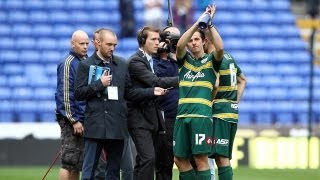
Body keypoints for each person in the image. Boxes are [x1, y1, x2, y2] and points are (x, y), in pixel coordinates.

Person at [173, 5, 224, 180]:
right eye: (191, 40)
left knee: (200, 159)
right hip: (182, 117)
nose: (193, 42)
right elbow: (179, 44)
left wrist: (208, 24)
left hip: (201, 118)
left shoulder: (211, 62)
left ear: (204, 42)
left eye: (197, 39)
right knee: (179, 159)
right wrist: (197, 24)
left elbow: (220, 48)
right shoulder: (183, 61)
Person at [127, 26, 179, 180]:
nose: (158, 43)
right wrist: (184, 79)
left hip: (151, 118)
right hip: (138, 118)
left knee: (144, 160)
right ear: (143, 41)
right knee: (149, 159)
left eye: (159, 39)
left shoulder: (149, 59)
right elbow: (155, 81)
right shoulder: (136, 61)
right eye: (154, 39)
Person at [92, 28, 136, 180]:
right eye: (107, 43)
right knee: (98, 169)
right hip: (97, 125)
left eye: (113, 44)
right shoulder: (87, 66)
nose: (111, 47)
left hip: (118, 123)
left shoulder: (121, 64)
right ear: (96, 43)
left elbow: (129, 92)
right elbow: (80, 94)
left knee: (125, 167)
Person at [204, 28, 247, 180]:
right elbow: (243, 80)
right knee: (223, 157)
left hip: (219, 113)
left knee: (218, 157)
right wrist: (234, 102)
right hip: (231, 112)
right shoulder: (229, 57)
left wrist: (208, 101)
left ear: (206, 41)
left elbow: (215, 83)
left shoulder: (211, 58)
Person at [55, 30, 89, 180]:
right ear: (72, 43)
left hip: (82, 119)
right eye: (81, 43)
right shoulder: (68, 63)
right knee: (68, 162)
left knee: (77, 164)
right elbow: (65, 94)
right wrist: (74, 120)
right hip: (72, 121)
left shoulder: (85, 60)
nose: (85, 47)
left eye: (87, 43)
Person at [154, 26, 180, 180]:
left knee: (189, 162)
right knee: (164, 163)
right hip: (166, 118)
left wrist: (173, 54)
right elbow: (158, 79)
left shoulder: (185, 57)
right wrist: (164, 56)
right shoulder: (156, 60)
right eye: (171, 40)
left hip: (185, 116)